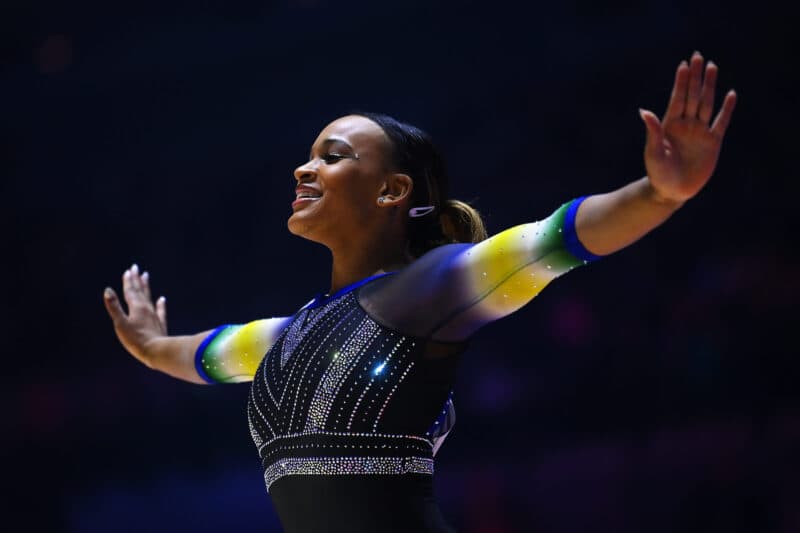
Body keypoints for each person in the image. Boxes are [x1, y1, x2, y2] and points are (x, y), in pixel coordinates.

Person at [103, 51, 736, 532]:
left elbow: (550, 243)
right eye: (308, 156)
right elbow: (202, 355)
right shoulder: (288, 335)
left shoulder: (427, 289)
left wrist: (659, 194)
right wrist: (150, 346)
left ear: (392, 191)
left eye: (332, 156)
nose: (304, 168)